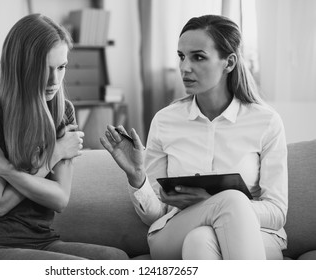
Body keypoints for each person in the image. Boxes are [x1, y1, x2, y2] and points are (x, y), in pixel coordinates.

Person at [101, 14, 288, 260]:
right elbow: (156, 214)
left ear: (229, 62)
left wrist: (211, 202)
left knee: (201, 240)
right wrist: (136, 176)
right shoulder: (166, 120)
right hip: (173, 233)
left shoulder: (266, 121)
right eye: (181, 56)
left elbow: (276, 212)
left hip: (259, 235)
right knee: (228, 202)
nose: (184, 68)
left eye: (198, 57)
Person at [0, 14, 128, 260]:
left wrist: (5, 169)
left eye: (61, 67)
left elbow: (60, 198)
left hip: (42, 240)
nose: (54, 80)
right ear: (21, 66)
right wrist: (56, 153)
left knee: (117, 259)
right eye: (44, 69)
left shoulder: (63, 112)